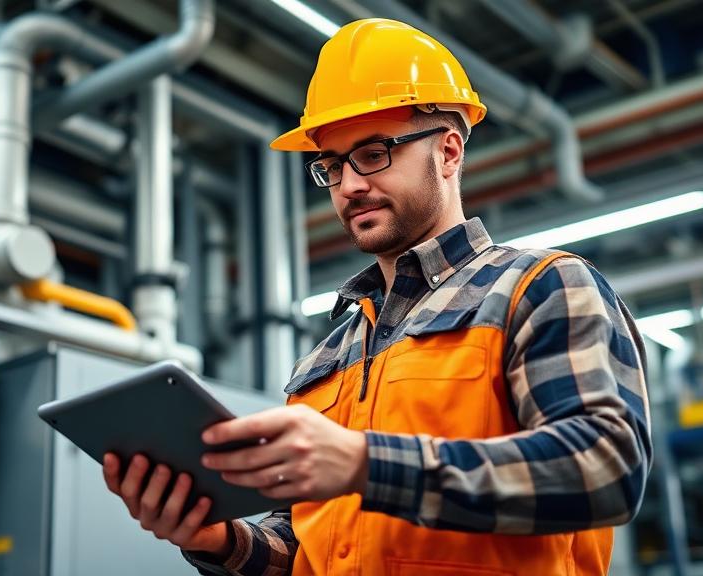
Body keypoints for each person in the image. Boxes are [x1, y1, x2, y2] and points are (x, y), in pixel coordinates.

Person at [102, 18, 652, 576]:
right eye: (333, 165)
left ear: (449, 152)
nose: (349, 186)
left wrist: (367, 465)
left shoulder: (538, 288)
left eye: (373, 153)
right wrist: (221, 540)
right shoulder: (327, 357)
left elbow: (603, 469)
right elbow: (308, 546)